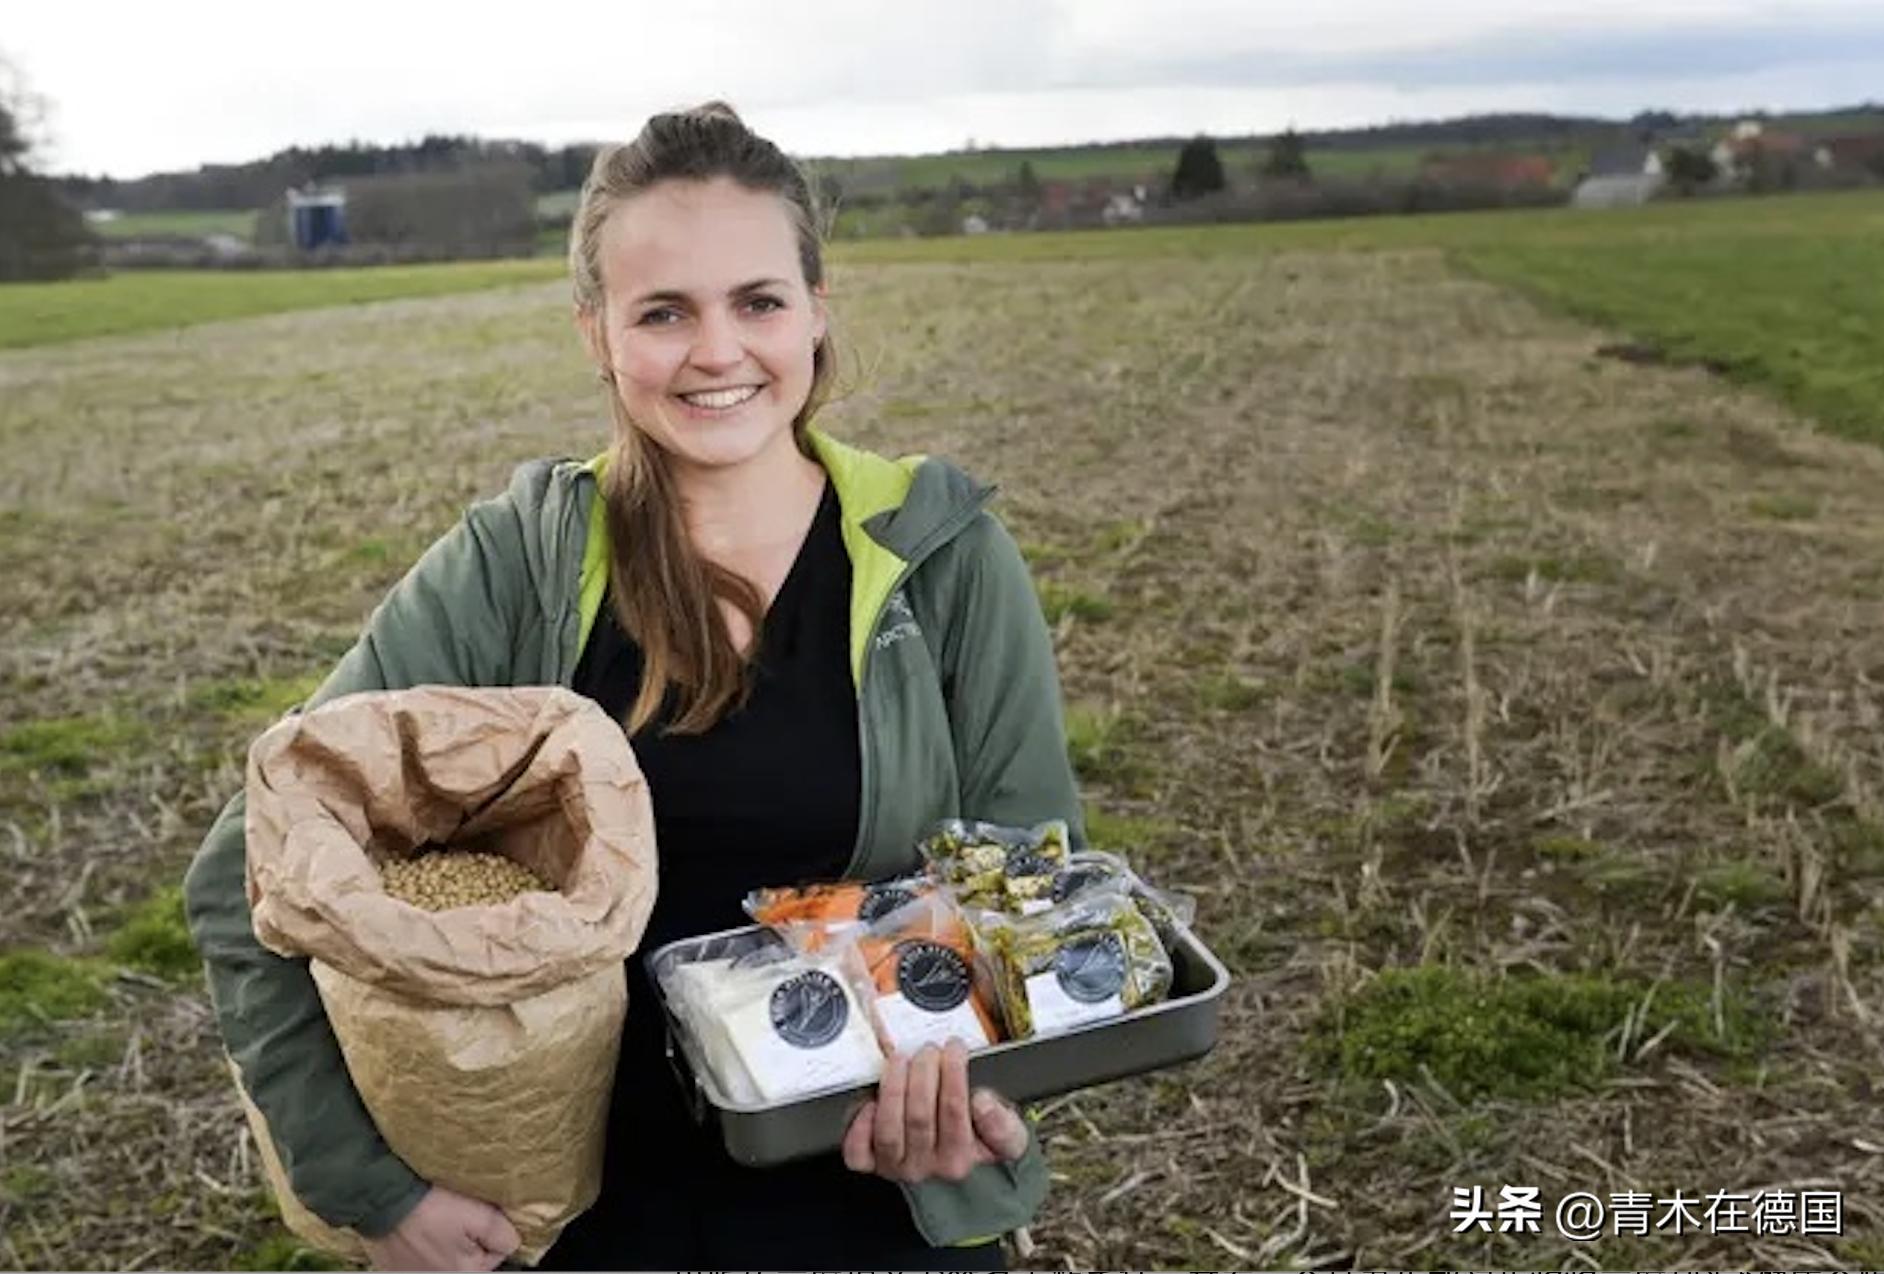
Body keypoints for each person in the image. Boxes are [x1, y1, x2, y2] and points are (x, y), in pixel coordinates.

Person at [182, 100, 1084, 1272]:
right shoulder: (518, 561)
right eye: (665, 311)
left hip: (876, 1210)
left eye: (758, 301)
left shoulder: (943, 556)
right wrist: (370, 1186)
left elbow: (1041, 903)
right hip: (575, 1224)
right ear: (597, 333)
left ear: (816, 313)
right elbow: (244, 864)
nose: (718, 351)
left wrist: (990, 1102)